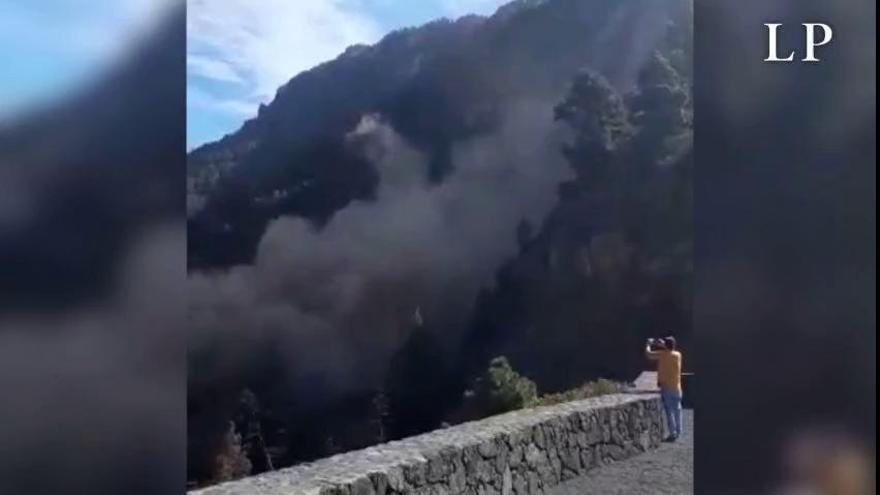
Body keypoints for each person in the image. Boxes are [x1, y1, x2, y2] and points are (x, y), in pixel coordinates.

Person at [645, 336, 683, 441]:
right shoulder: (678, 355)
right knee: (678, 410)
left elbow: (649, 354)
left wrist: (649, 344)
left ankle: (673, 433)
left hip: (666, 388)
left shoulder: (662, 355)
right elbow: (670, 349)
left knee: (669, 411)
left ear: (665, 346)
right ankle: (679, 430)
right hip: (677, 387)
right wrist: (663, 344)